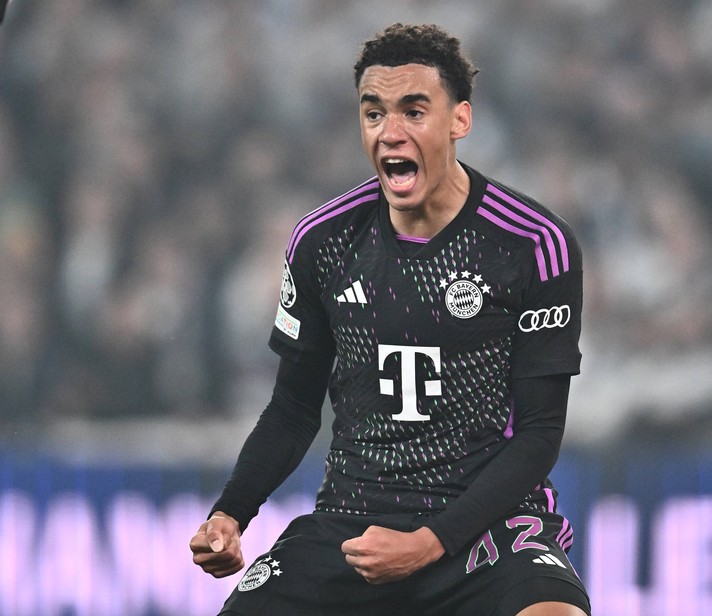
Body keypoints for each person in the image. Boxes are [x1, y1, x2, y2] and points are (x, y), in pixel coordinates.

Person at [190, 23, 590, 616]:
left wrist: (428, 544)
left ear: (460, 120)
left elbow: (538, 434)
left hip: (489, 530)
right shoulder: (322, 241)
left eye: (413, 111)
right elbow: (294, 407)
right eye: (373, 114)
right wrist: (230, 512)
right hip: (354, 526)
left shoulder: (533, 244)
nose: (390, 133)